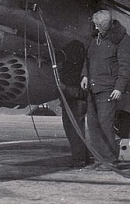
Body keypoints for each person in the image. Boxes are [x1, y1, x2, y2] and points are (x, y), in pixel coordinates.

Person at [80, 10, 130, 171]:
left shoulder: (122, 40)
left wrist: (119, 88)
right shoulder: (95, 38)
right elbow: (88, 59)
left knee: (105, 124)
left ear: (106, 26)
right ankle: (99, 158)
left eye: (98, 25)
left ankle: (110, 160)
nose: (95, 27)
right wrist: (84, 75)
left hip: (108, 89)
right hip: (93, 87)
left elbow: (126, 66)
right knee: (93, 125)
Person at [58, 40, 91, 168]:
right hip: (68, 102)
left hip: (77, 103)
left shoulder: (82, 71)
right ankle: (84, 156)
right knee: (70, 130)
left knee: (75, 131)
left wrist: (65, 88)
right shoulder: (67, 67)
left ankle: (79, 159)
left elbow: (83, 93)